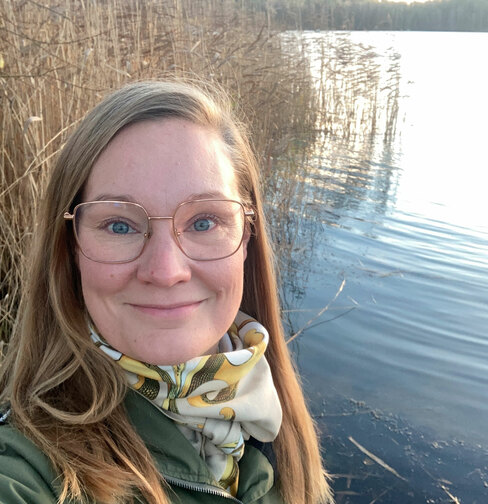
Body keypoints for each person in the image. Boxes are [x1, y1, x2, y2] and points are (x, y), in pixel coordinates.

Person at [0, 80, 334, 504]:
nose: (165, 271)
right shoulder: (26, 473)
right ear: (71, 248)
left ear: (246, 237)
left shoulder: (276, 425)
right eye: (119, 225)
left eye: (204, 222)